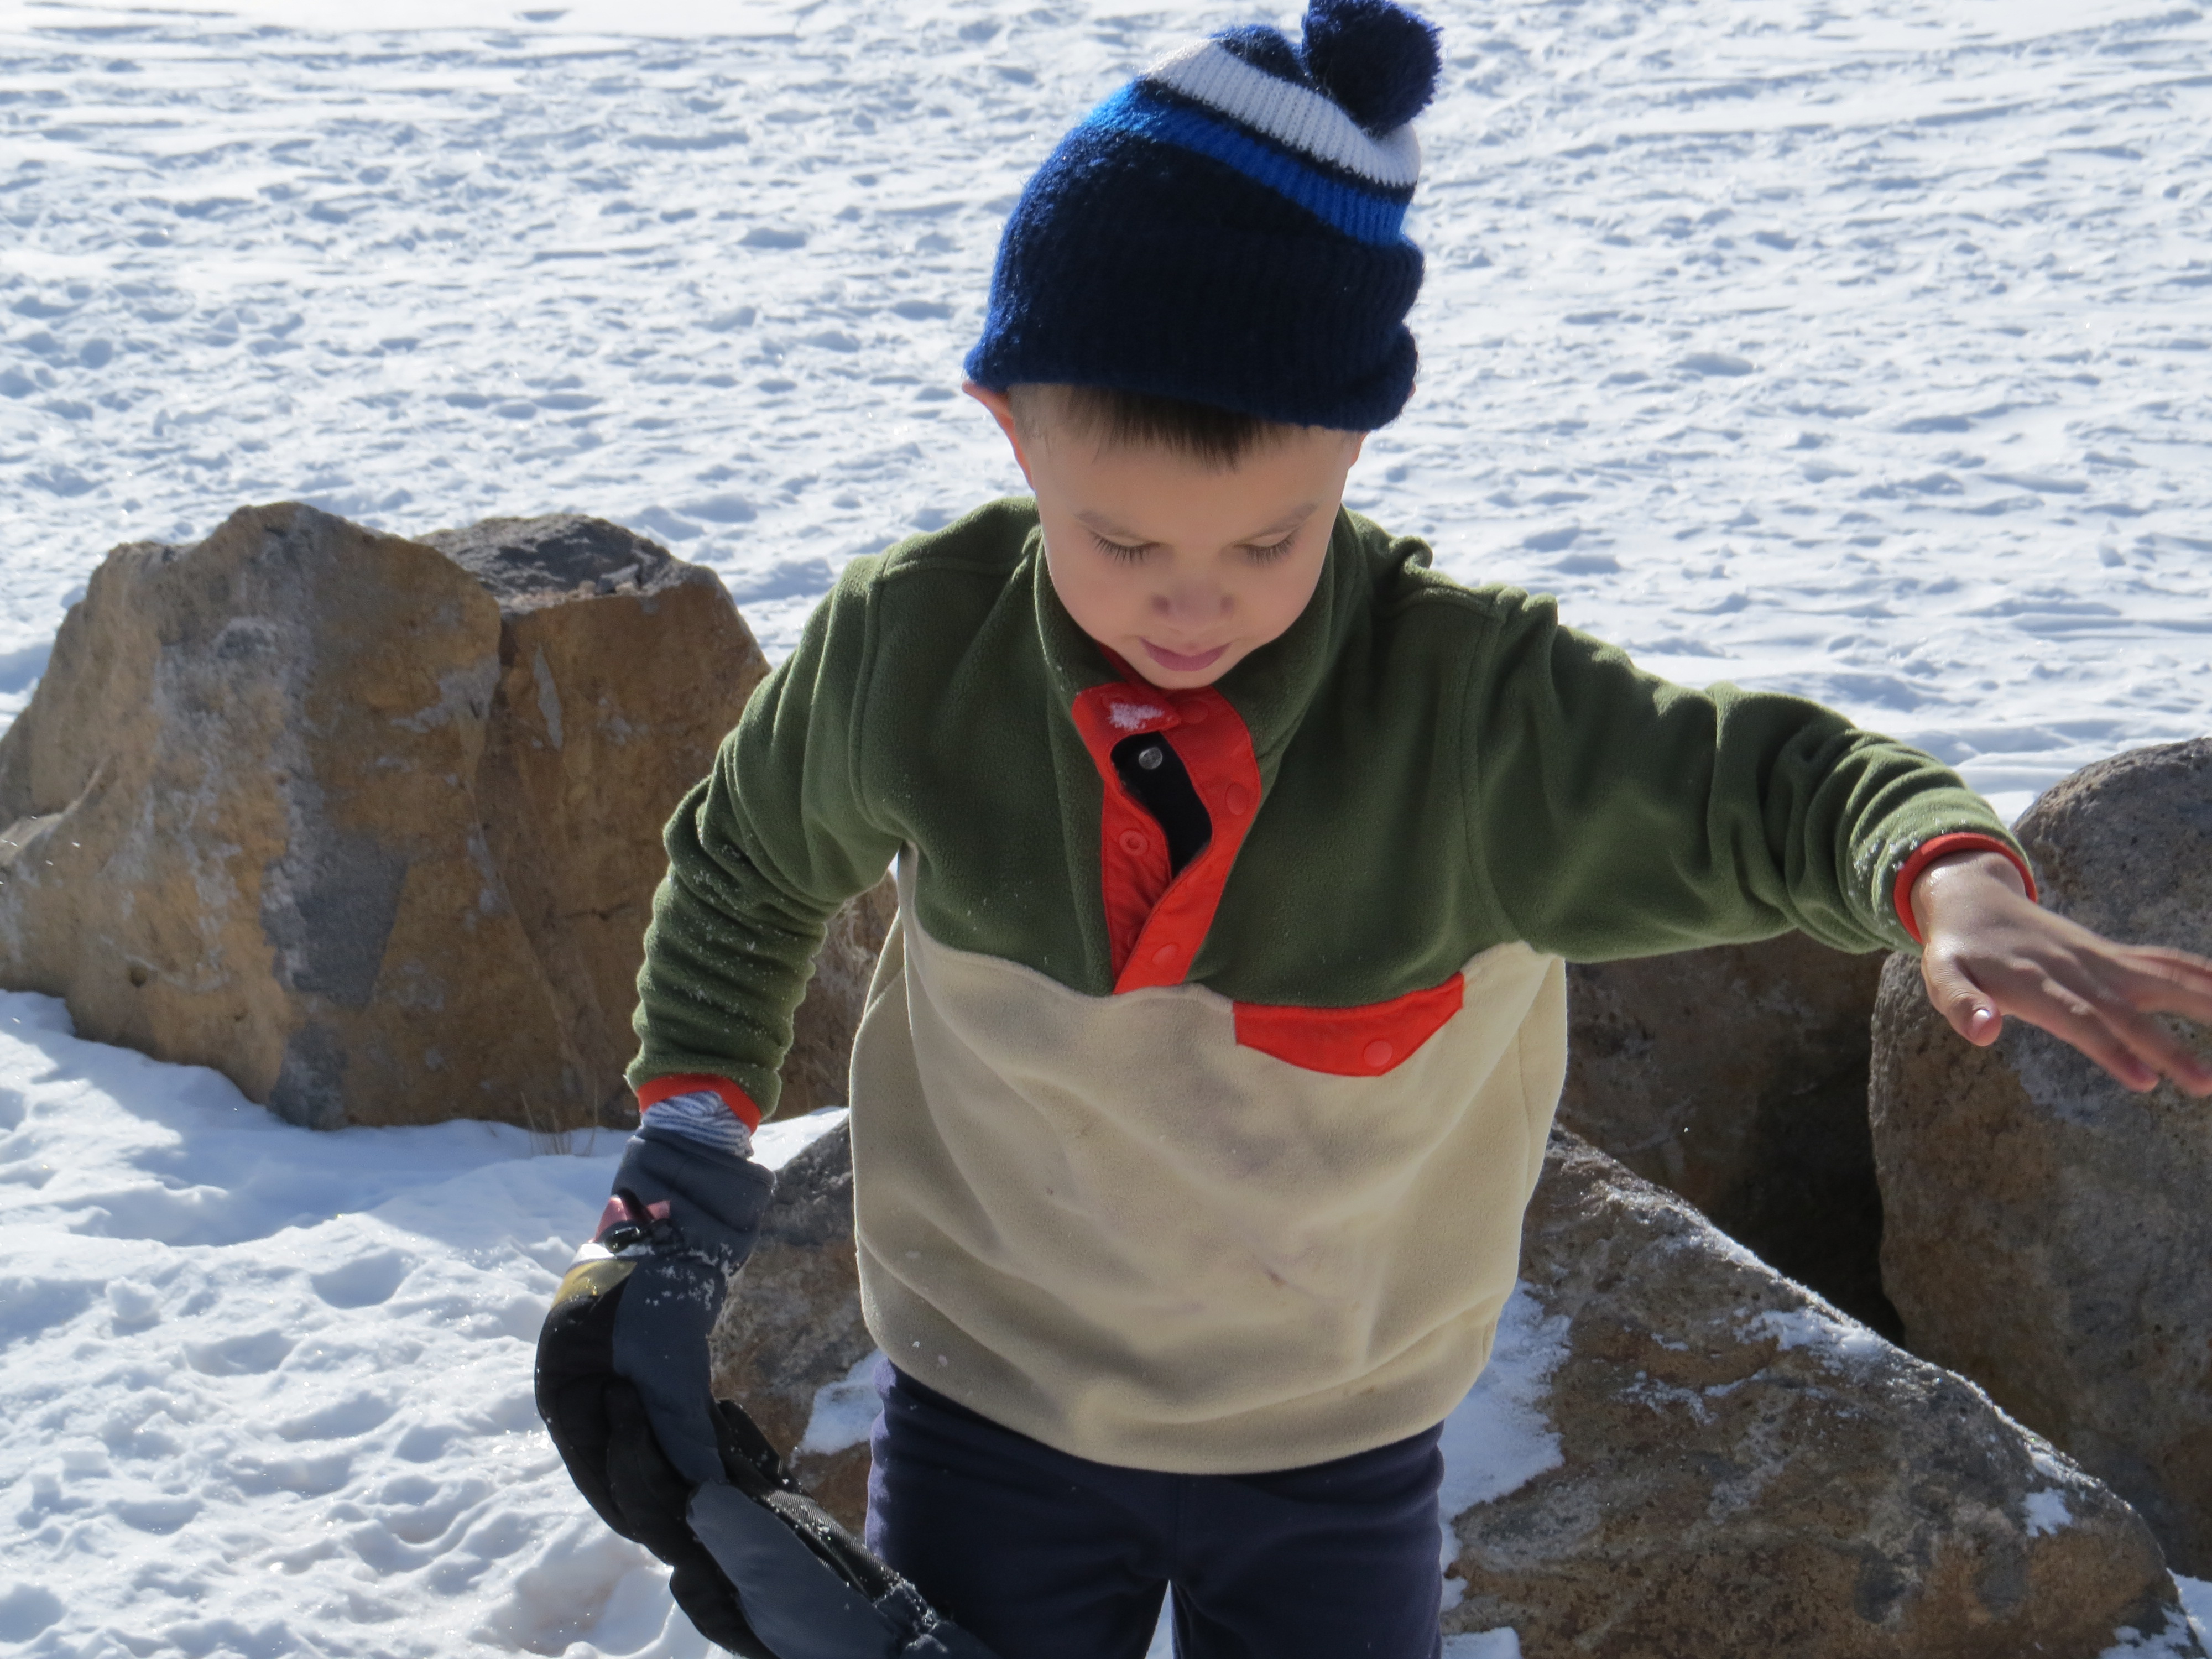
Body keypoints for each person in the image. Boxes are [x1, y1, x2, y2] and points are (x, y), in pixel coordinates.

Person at [535, 3, 2212, 1656]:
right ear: (1011, 426)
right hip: (992, 1404)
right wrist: (681, 1162)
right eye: (1123, 544)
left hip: (1330, 1450)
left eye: (1267, 544)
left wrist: (1948, 877)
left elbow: (1781, 786)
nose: (1191, 608)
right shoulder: (914, 651)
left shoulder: (1473, 721)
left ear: (1351, 449)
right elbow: (747, 866)